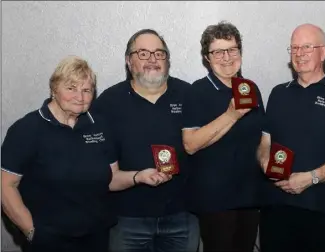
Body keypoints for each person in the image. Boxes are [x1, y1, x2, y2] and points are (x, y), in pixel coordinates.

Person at [0, 56, 171, 252]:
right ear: (54, 89)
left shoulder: (99, 125)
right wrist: (31, 232)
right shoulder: (28, 129)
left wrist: (139, 176)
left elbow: (111, 178)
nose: (79, 97)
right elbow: (5, 185)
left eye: (86, 90)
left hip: (96, 237)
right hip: (49, 240)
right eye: (71, 88)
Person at [256, 23, 325, 252]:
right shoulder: (278, 93)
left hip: (322, 209)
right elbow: (265, 143)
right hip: (276, 207)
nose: (299, 53)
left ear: (323, 52)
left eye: (307, 47)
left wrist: (310, 178)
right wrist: (265, 161)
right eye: (294, 48)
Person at [90, 29, 200, 252]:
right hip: (126, 218)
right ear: (128, 62)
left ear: (167, 61)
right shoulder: (108, 103)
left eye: (159, 53)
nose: (152, 60)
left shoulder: (188, 94)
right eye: (143, 53)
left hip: (182, 215)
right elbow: (96, 164)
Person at [181, 21, 265, 252]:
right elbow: (190, 145)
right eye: (218, 51)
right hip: (215, 200)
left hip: (249, 195)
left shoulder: (251, 88)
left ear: (240, 51)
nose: (226, 57)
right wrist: (231, 115)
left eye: (232, 49)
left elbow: (261, 137)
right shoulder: (196, 92)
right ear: (207, 58)